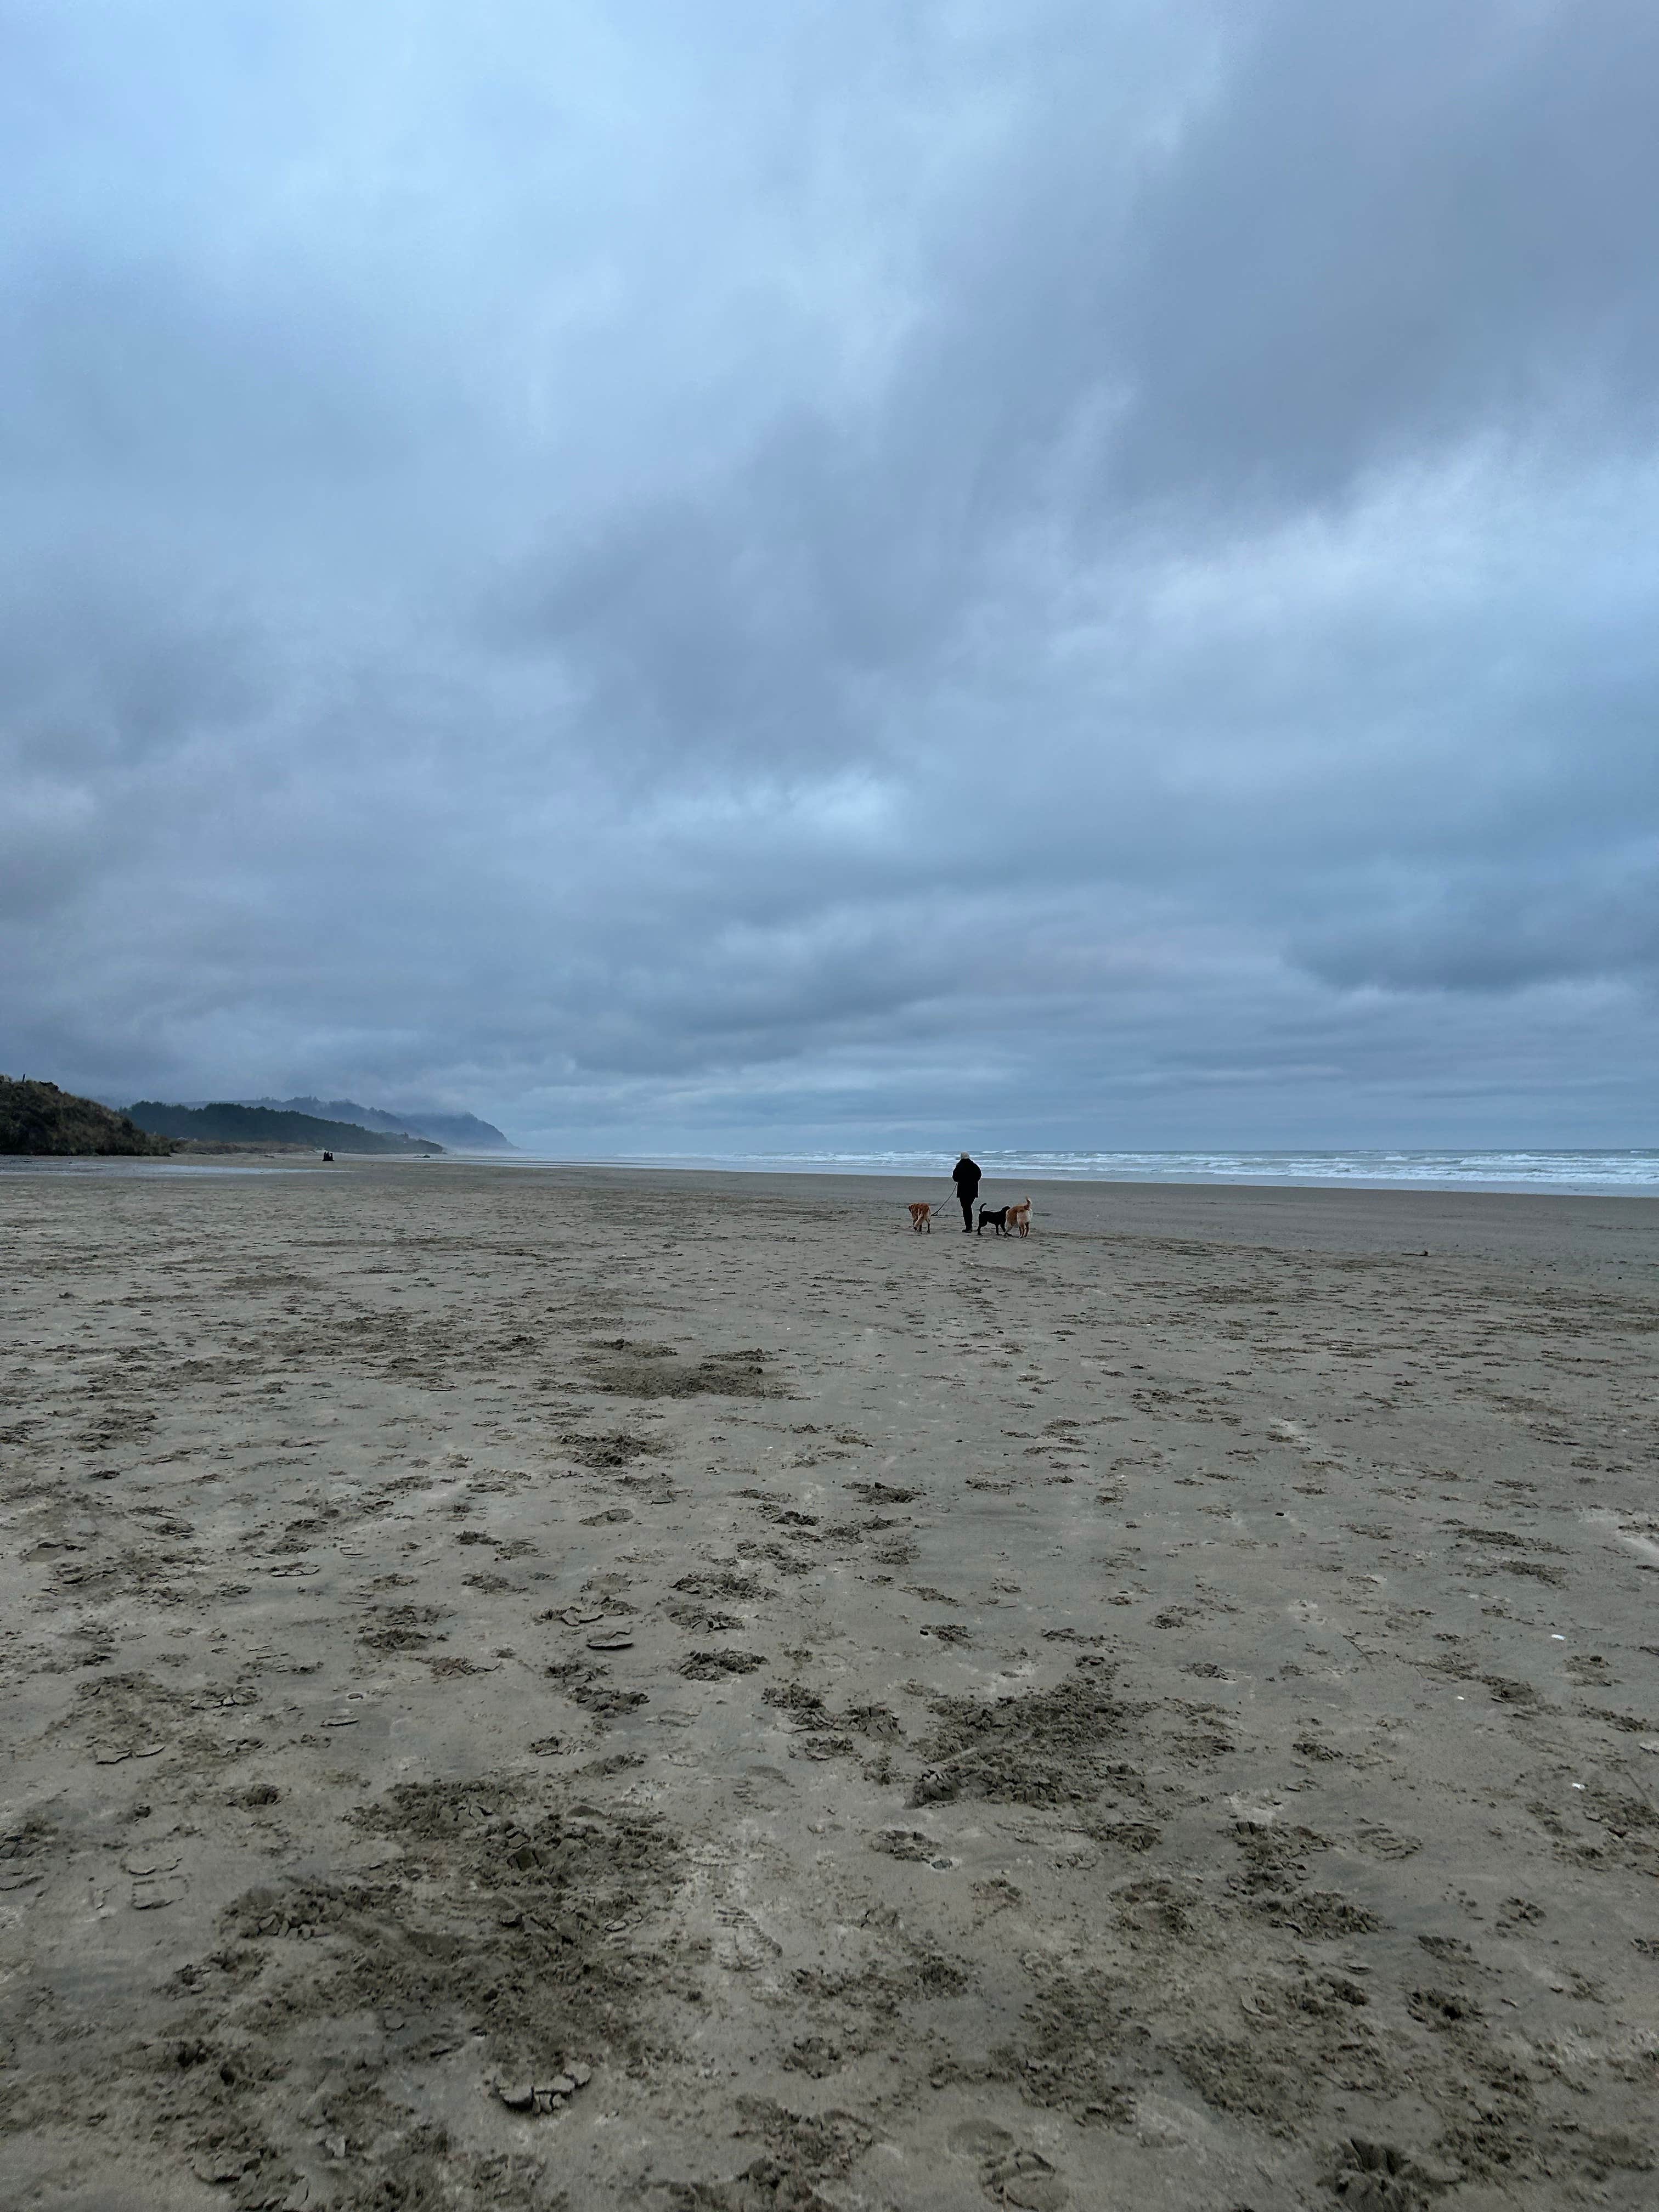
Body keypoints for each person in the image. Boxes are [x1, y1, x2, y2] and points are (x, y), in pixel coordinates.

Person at [951, 1152, 981, 1233]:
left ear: (961, 1157)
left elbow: (955, 1178)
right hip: (973, 1190)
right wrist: (973, 1181)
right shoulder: (974, 1166)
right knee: (968, 1207)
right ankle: (969, 1225)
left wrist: (962, 1179)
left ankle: (969, 1226)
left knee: (966, 1208)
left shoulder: (959, 1166)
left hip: (963, 1190)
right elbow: (979, 1175)